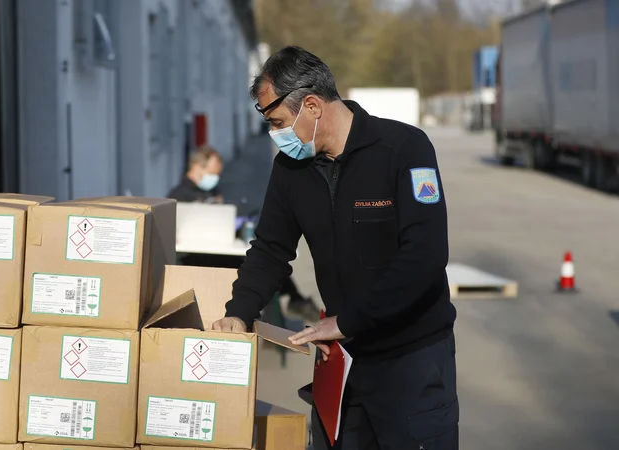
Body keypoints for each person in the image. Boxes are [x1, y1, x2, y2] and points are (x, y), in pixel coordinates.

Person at [211, 46, 458, 449]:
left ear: (311, 105)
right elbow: (271, 248)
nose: (277, 137)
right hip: (344, 365)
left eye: (278, 123)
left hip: (412, 362)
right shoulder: (291, 170)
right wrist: (238, 313)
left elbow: (425, 256)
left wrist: (345, 323)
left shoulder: (403, 149)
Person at [169, 145, 320, 322]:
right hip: (198, 257)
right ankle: (292, 304)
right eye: (213, 173)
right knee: (259, 265)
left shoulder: (210, 191)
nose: (216, 178)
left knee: (264, 263)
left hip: (220, 251)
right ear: (197, 167)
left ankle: (292, 302)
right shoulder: (181, 195)